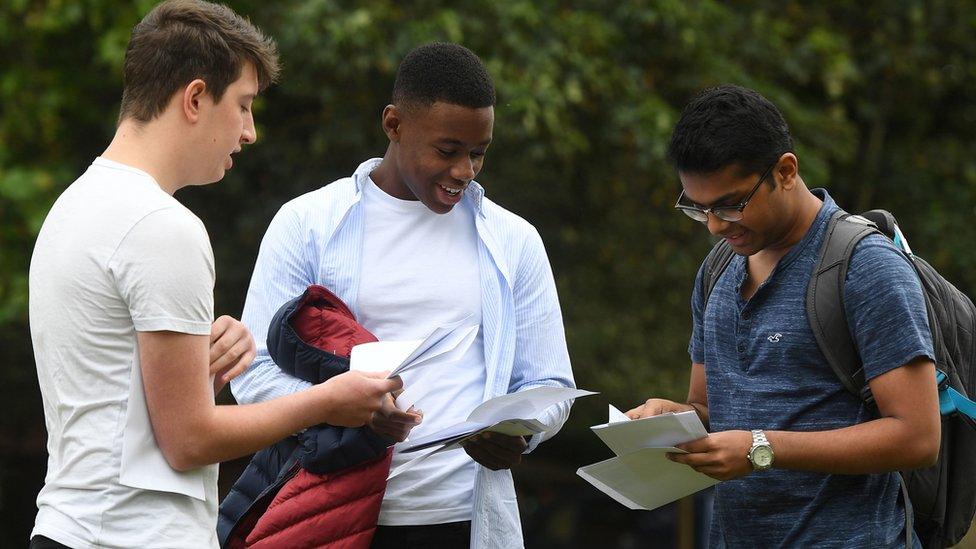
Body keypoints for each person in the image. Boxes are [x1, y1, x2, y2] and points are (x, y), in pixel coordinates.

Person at [27, 2, 399, 548]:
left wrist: (200, 372)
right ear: (196, 98)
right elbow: (188, 440)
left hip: (69, 527)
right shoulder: (162, 225)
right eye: (244, 106)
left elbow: (110, 396)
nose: (249, 132)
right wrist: (328, 401)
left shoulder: (74, 205)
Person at [228, 42, 576, 548]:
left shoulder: (515, 241)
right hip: (332, 516)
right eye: (448, 150)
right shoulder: (307, 224)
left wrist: (521, 431)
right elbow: (254, 372)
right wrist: (341, 407)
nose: (465, 171)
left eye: (479, 153)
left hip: (466, 521)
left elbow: (549, 381)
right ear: (394, 124)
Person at [626, 85, 941, 548]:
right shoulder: (717, 270)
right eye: (700, 208)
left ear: (786, 171)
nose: (715, 225)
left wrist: (761, 449)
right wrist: (668, 418)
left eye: (731, 204)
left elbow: (917, 437)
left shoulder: (866, 268)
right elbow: (710, 412)